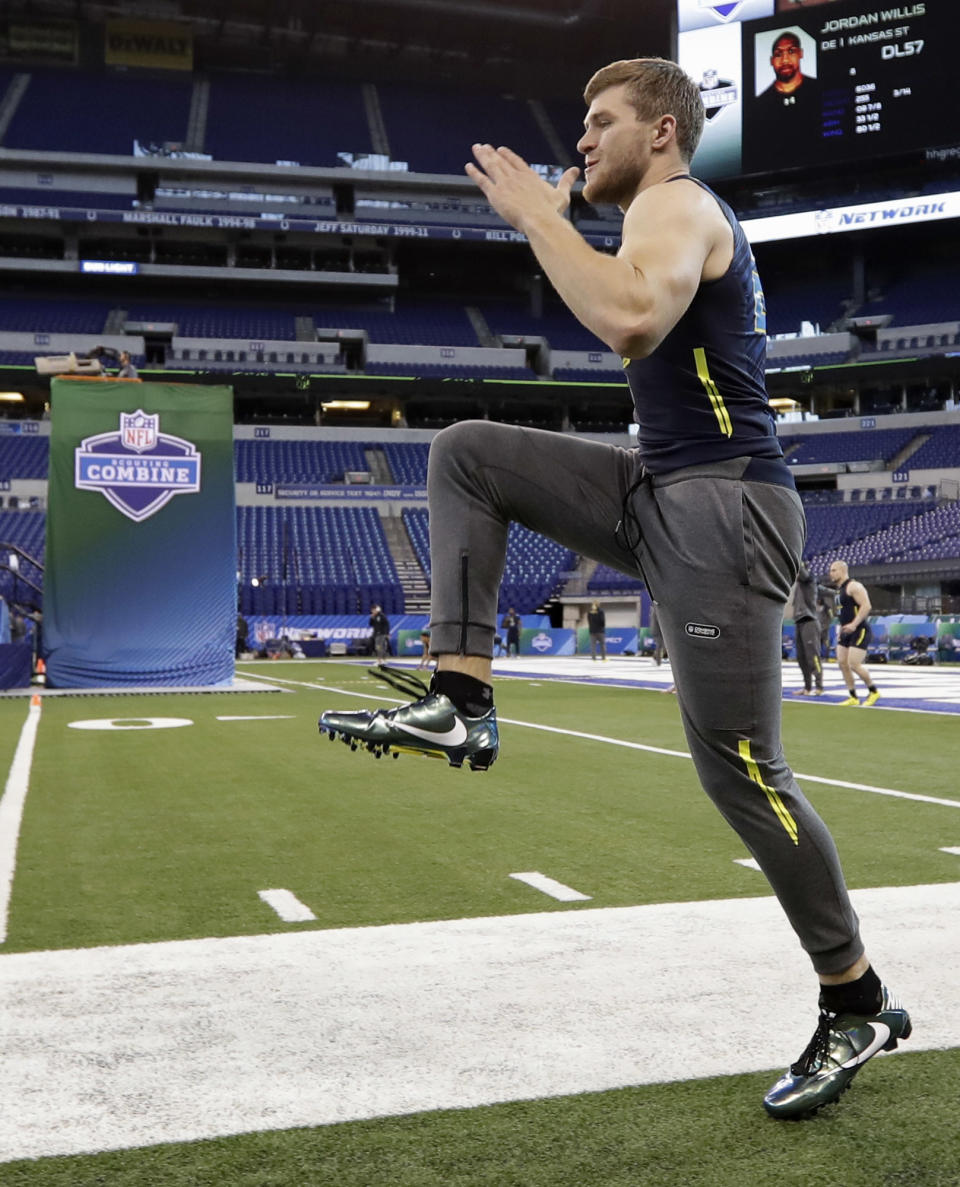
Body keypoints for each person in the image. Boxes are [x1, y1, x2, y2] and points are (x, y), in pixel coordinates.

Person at [318, 57, 909, 1119]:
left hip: (725, 506)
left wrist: (543, 221)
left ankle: (855, 995)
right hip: (667, 486)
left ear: (664, 134)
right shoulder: (655, 209)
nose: (583, 140)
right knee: (466, 452)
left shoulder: (678, 201)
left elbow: (631, 317)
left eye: (601, 122)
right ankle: (463, 696)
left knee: (741, 771)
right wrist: (559, 224)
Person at [829, 559, 880, 706]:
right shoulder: (839, 590)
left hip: (859, 629)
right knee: (842, 663)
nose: (830, 573)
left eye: (834, 570)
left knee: (854, 664)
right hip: (846, 630)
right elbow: (843, 612)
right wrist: (842, 628)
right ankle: (853, 696)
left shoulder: (854, 586)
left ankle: (874, 691)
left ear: (842, 570)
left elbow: (866, 606)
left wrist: (854, 624)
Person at [754, 31, 821, 133]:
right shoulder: (760, 104)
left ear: (800, 53)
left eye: (791, 51)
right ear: (771, 60)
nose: (785, 60)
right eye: (778, 54)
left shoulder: (819, 89)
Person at [790, 562, 824, 695]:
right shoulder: (799, 585)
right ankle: (807, 687)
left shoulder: (810, 579)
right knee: (801, 657)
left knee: (812, 655)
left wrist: (797, 561)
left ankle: (819, 686)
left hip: (809, 621)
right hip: (799, 621)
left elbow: (803, 574)